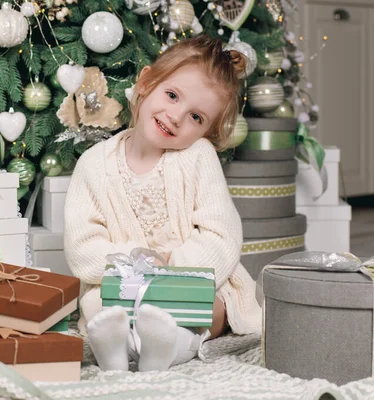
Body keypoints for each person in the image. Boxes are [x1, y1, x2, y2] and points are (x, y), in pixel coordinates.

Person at [63, 35, 262, 373]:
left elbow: (221, 236)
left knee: (211, 308)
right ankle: (117, 349)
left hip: (189, 281)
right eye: (171, 96)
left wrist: (172, 263)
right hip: (123, 282)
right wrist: (136, 261)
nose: (176, 117)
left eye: (196, 117)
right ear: (145, 83)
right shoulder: (94, 164)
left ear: (206, 131)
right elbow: (82, 247)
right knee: (100, 305)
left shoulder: (198, 157)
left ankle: (167, 347)